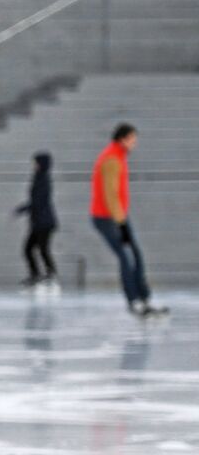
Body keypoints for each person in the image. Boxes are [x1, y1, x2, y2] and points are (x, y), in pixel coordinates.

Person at [90, 123, 166, 317]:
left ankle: (144, 298)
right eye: (132, 139)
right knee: (126, 257)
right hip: (108, 218)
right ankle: (134, 301)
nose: (135, 144)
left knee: (135, 255)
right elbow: (111, 195)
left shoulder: (118, 156)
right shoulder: (112, 159)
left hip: (117, 216)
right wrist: (121, 223)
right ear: (122, 139)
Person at [15, 151, 58, 289]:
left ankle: (50, 274)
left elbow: (38, 202)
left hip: (44, 222)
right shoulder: (39, 178)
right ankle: (37, 275)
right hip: (39, 222)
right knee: (30, 249)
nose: (34, 165)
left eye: (36, 162)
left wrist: (23, 209)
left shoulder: (43, 179)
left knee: (41, 248)